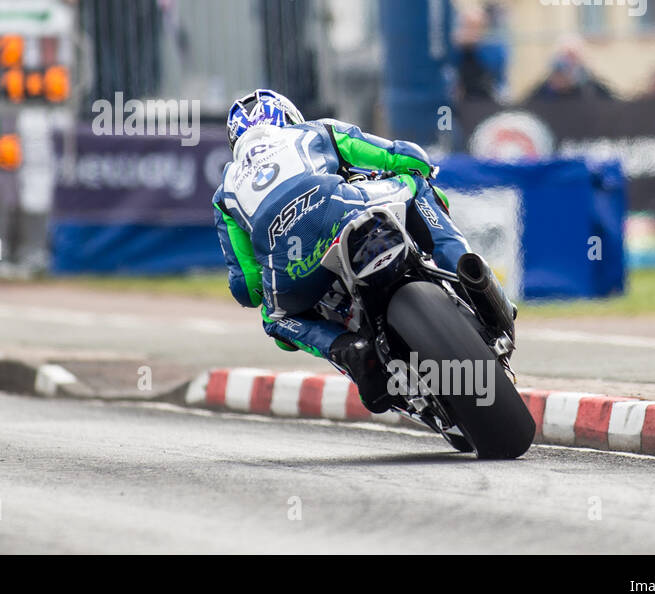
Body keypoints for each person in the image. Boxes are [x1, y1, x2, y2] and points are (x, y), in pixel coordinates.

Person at [212, 89, 515, 412]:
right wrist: (421, 169)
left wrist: (273, 262)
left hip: (296, 271)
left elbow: (246, 288)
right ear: (288, 117)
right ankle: (469, 280)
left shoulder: (225, 193)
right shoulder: (313, 131)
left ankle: (349, 352)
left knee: (276, 319)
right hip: (348, 207)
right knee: (417, 184)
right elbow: (400, 156)